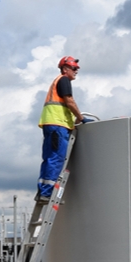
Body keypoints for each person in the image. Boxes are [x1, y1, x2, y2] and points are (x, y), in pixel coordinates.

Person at [37, 56, 83, 200]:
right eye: (74, 68)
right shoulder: (63, 80)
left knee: (49, 157)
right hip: (58, 125)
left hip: (52, 124)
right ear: (65, 69)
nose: (76, 71)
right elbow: (69, 101)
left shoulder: (58, 81)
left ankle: (43, 190)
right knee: (56, 158)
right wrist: (80, 118)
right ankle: (47, 192)